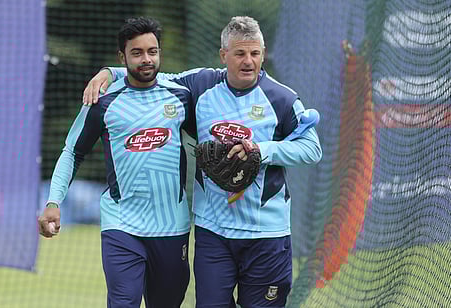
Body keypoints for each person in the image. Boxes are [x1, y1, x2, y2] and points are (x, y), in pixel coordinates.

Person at [83, 16, 322, 308]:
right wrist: (110, 72)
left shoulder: (282, 98)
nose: (248, 61)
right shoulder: (199, 85)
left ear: (263, 52)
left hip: (267, 234)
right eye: (240, 54)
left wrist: (261, 150)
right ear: (224, 56)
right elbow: (149, 74)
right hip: (214, 233)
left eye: (255, 53)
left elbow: (312, 149)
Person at [38, 17, 195, 308]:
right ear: (122, 57)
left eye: (153, 51)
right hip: (122, 225)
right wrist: (53, 202)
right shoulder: (102, 100)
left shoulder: (182, 92)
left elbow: (222, 76)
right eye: (137, 53)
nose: (147, 59)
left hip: (172, 226)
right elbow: (72, 152)